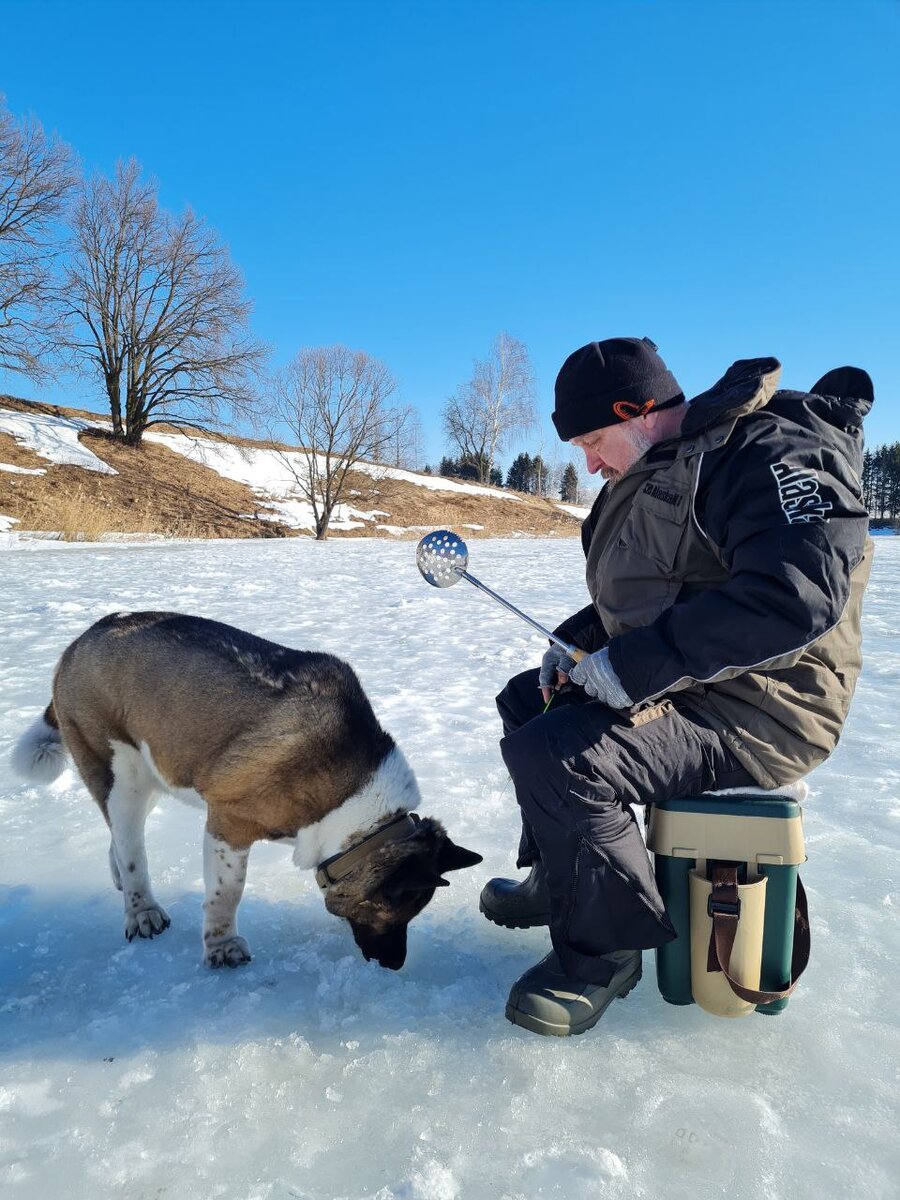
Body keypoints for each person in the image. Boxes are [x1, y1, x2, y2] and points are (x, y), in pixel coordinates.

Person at [481, 336, 873, 1037]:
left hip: (765, 709)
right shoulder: (672, 464)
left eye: (595, 439)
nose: (590, 462)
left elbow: (794, 598)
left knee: (562, 753)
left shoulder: (766, 453)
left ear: (640, 410)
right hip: (702, 686)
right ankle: (560, 883)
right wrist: (582, 645)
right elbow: (667, 587)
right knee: (528, 703)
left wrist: (630, 669)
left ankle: (603, 955)